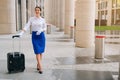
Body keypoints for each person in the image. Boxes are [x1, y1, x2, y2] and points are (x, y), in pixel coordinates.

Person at [18, 6, 46, 74]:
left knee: (41, 51)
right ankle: (40, 67)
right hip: (34, 36)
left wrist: (41, 30)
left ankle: (38, 64)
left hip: (41, 36)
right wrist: (21, 33)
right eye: (36, 10)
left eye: (38, 10)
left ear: (40, 11)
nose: (37, 11)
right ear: (35, 11)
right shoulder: (31, 19)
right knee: (37, 51)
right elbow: (27, 26)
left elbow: (45, 28)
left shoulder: (42, 19)